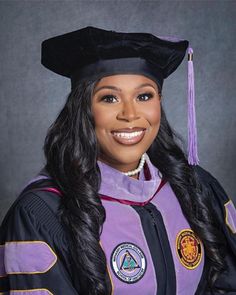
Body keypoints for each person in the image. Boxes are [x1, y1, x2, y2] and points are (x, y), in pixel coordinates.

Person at [0, 26, 235, 295]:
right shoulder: (42, 212)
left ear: (160, 101)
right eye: (109, 98)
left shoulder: (195, 188)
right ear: (84, 109)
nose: (130, 114)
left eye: (144, 96)